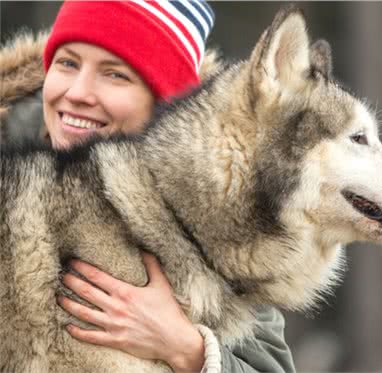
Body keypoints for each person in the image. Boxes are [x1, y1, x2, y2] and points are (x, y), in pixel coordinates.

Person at [0, 1, 296, 373]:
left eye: (115, 75)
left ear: (164, 103)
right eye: (68, 63)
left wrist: (186, 349)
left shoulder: (215, 225)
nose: (77, 92)